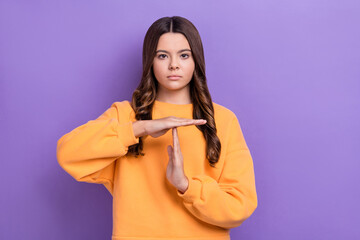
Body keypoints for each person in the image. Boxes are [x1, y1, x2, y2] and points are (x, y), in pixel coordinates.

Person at [57, 16, 258, 240]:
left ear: (196, 61)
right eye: (163, 56)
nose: (174, 64)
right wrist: (139, 129)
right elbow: (68, 153)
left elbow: (239, 206)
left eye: (184, 55)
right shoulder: (127, 116)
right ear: (150, 62)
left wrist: (185, 186)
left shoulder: (222, 120)